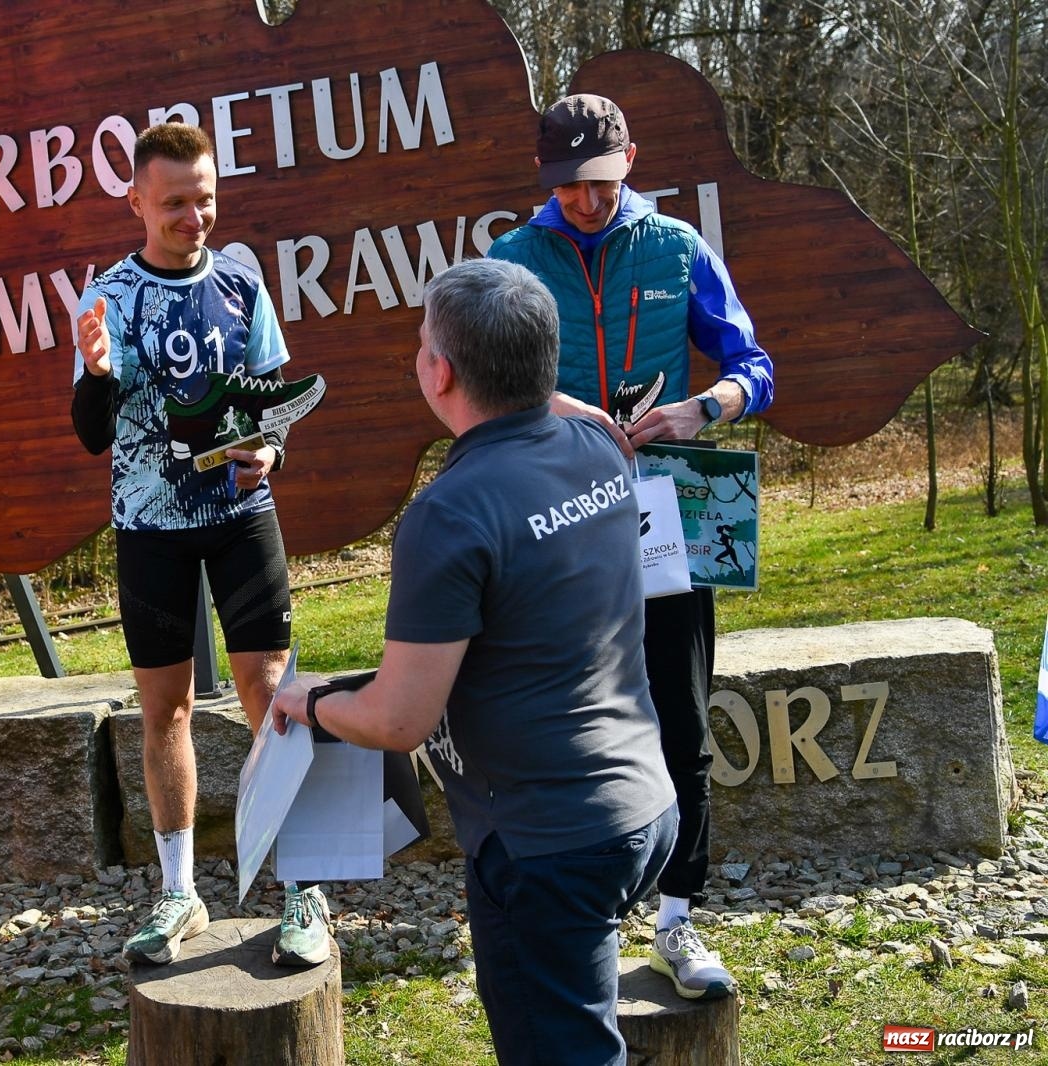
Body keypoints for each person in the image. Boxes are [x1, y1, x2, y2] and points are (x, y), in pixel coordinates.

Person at [271, 259, 677, 1065]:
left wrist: (309, 703)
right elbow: (564, 406)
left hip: (548, 844)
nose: (417, 353)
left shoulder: (449, 514)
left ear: (441, 371)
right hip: (644, 806)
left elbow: (397, 719)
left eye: (423, 341)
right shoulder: (601, 449)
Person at [488, 93, 775, 1001]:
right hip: (559, 516)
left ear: (632, 161)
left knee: (683, 719)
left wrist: (705, 407)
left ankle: (680, 922)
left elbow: (754, 369)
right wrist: (557, 409)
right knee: (576, 724)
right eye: (566, 184)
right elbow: (484, 385)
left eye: (600, 181)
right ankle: (589, 921)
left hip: (668, 510)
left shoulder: (680, 248)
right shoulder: (512, 260)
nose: (583, 200)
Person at [70, 121, 328, 968]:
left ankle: (301, 885)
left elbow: (271, 401)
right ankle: (179, 890)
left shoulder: (242, 276)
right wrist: (100, 376)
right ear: (136, 200)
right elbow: (88, 437)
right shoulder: (106, 296)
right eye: (175, 201)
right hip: (150, 528)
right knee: (165, 710)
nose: (194, 216)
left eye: (206, 198)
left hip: (241, 516)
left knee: (271, 698)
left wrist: (272, 450)